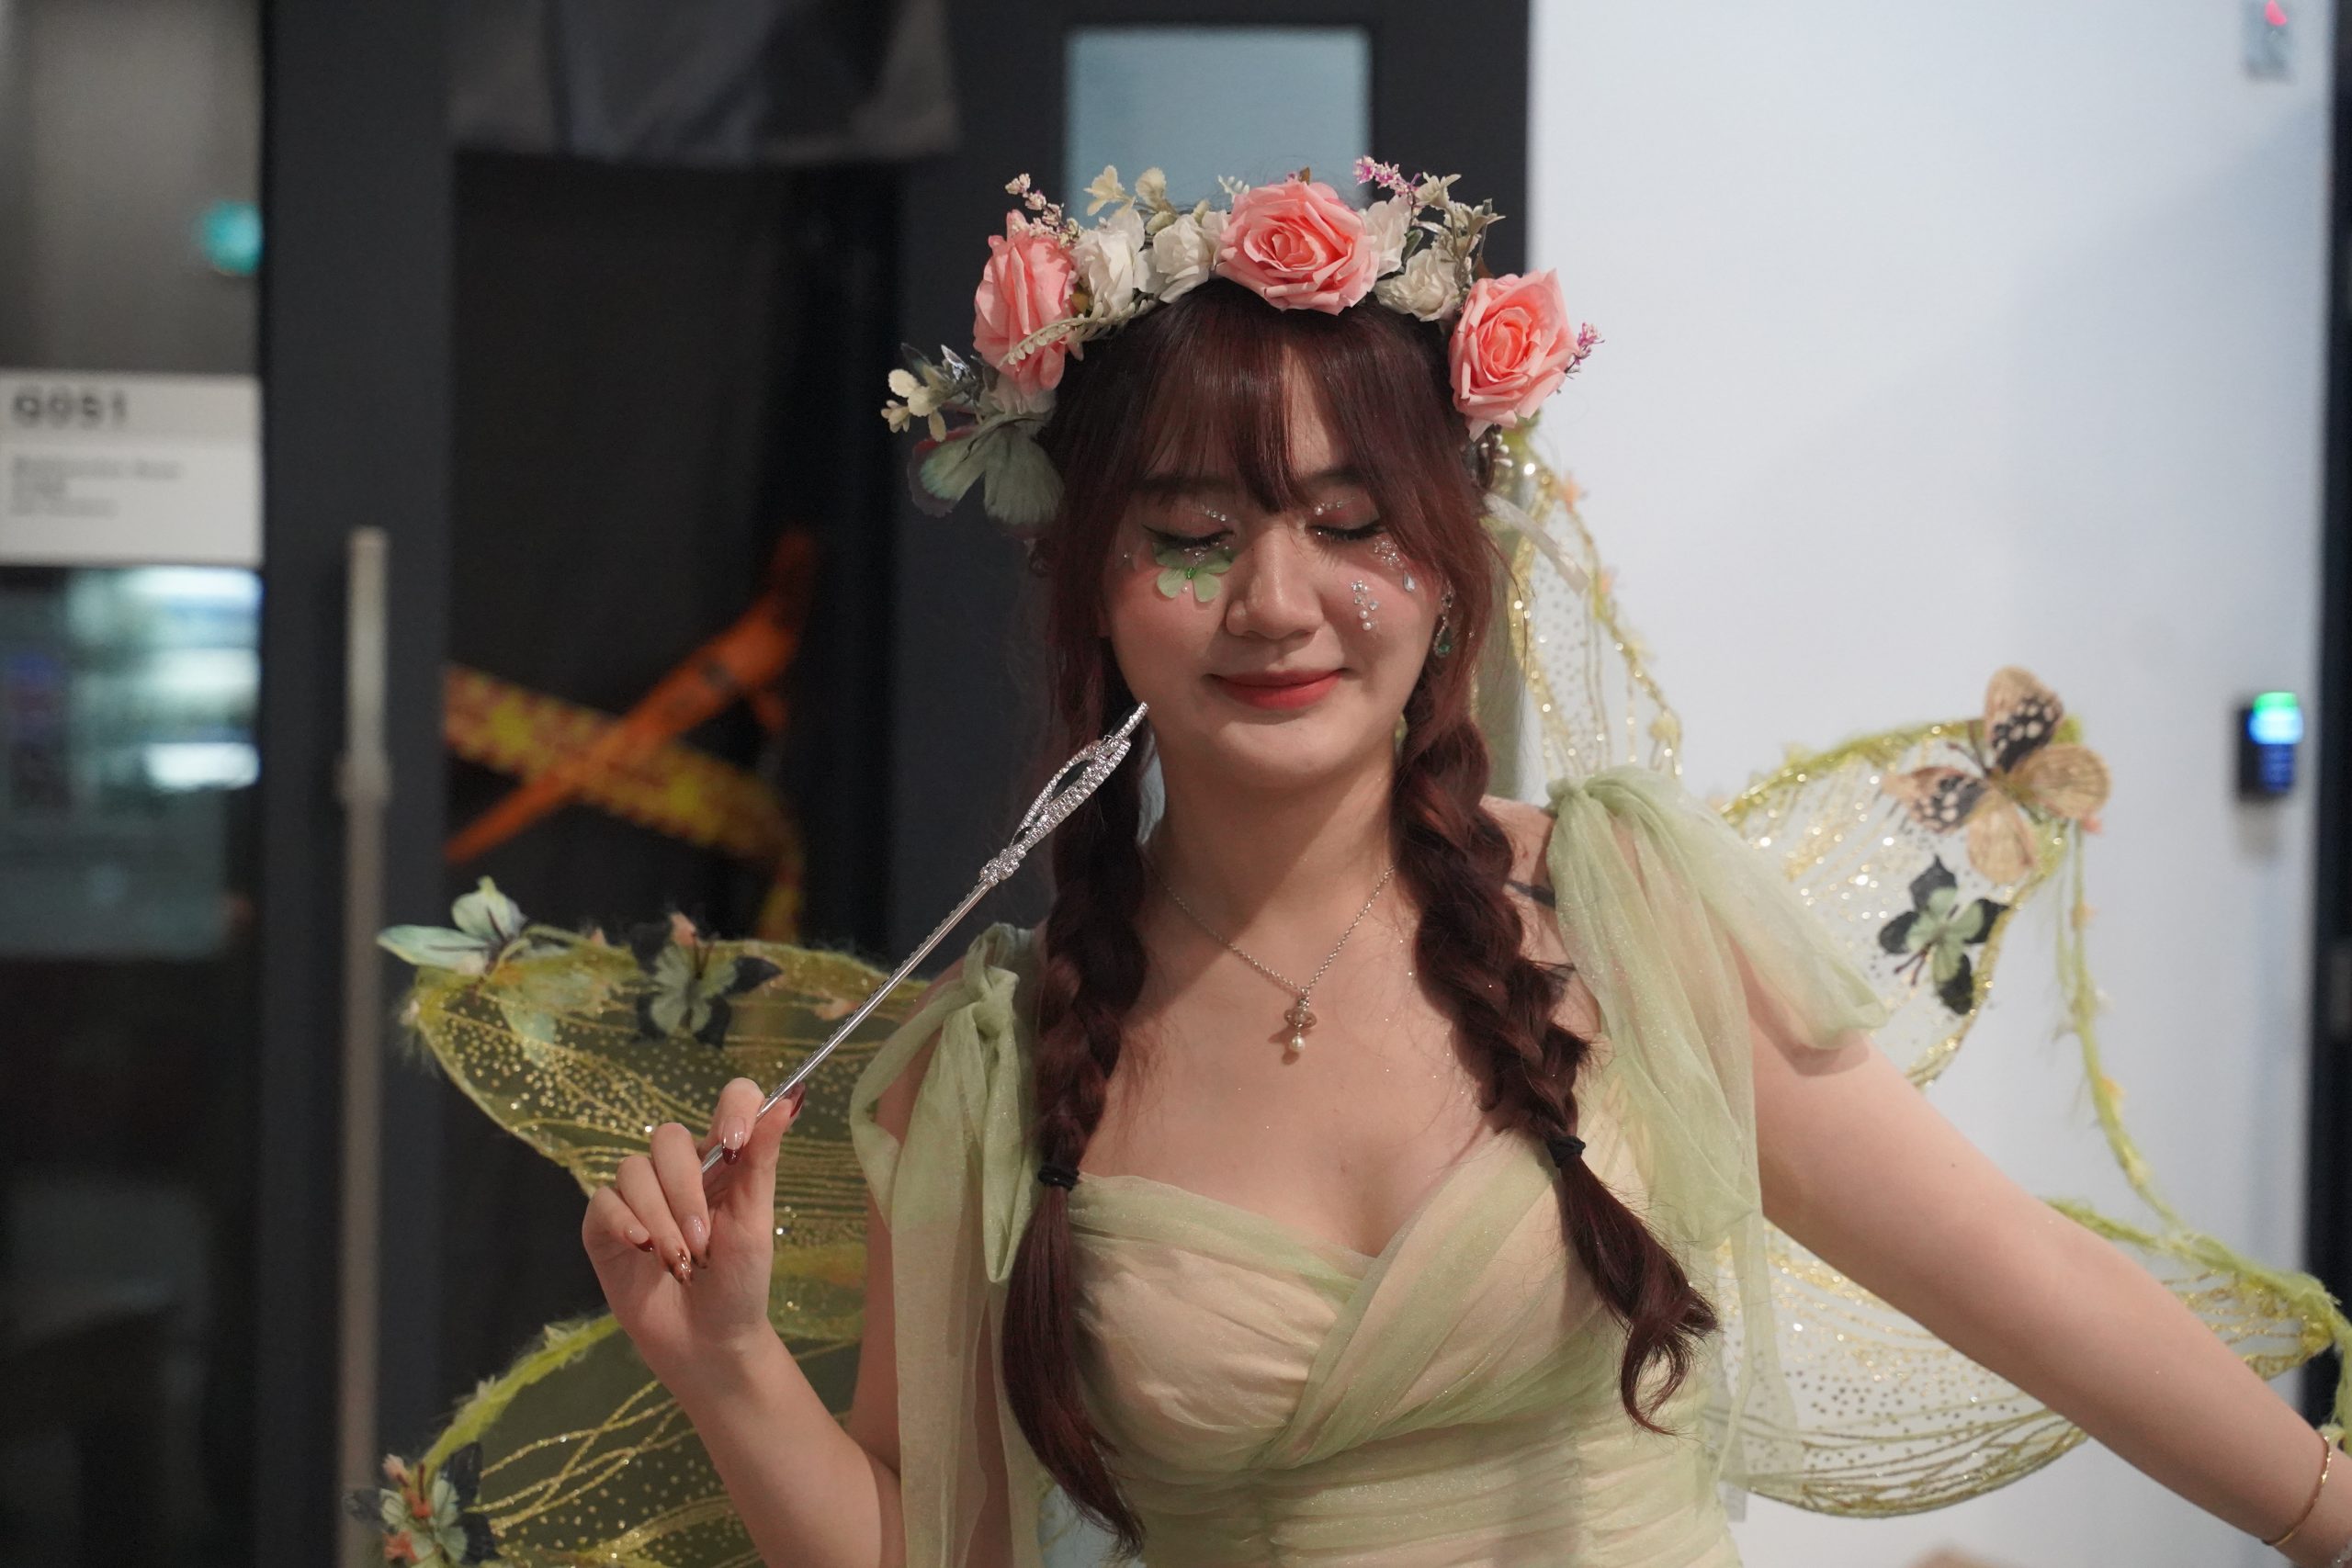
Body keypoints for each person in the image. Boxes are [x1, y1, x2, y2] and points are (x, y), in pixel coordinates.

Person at [577, 162, 2352, 1566]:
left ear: (1446, 575)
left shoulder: (1620, 917)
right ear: (1096, 590)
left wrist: (2325, 1518)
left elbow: (2029, 1282)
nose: (1275, 602)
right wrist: (723, 1361)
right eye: (1192, 534)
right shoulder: (981, 1079)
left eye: (1350, 524)